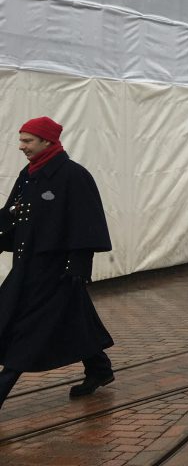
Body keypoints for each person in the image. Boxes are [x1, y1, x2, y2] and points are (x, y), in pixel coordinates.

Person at [0, 117, 114, 408]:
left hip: (56, 271)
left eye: (28, 141)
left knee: (27, 329)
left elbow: (87, 224)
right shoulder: (28, 174)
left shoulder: (74, 176)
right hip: (26, 267)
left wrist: (76, 268)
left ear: (47, 141)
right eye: (21, 139)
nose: (21, 146)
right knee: (73, 317)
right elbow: (13, 215)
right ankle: (99, 370)